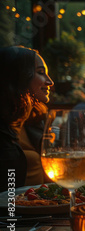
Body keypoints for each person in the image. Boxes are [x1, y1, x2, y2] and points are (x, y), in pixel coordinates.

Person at [0, 46, 53, 191]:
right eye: (41, 73)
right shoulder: (4, 132)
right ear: (18, 76)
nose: (50, 82)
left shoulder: (30, 120)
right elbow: (7, 195)